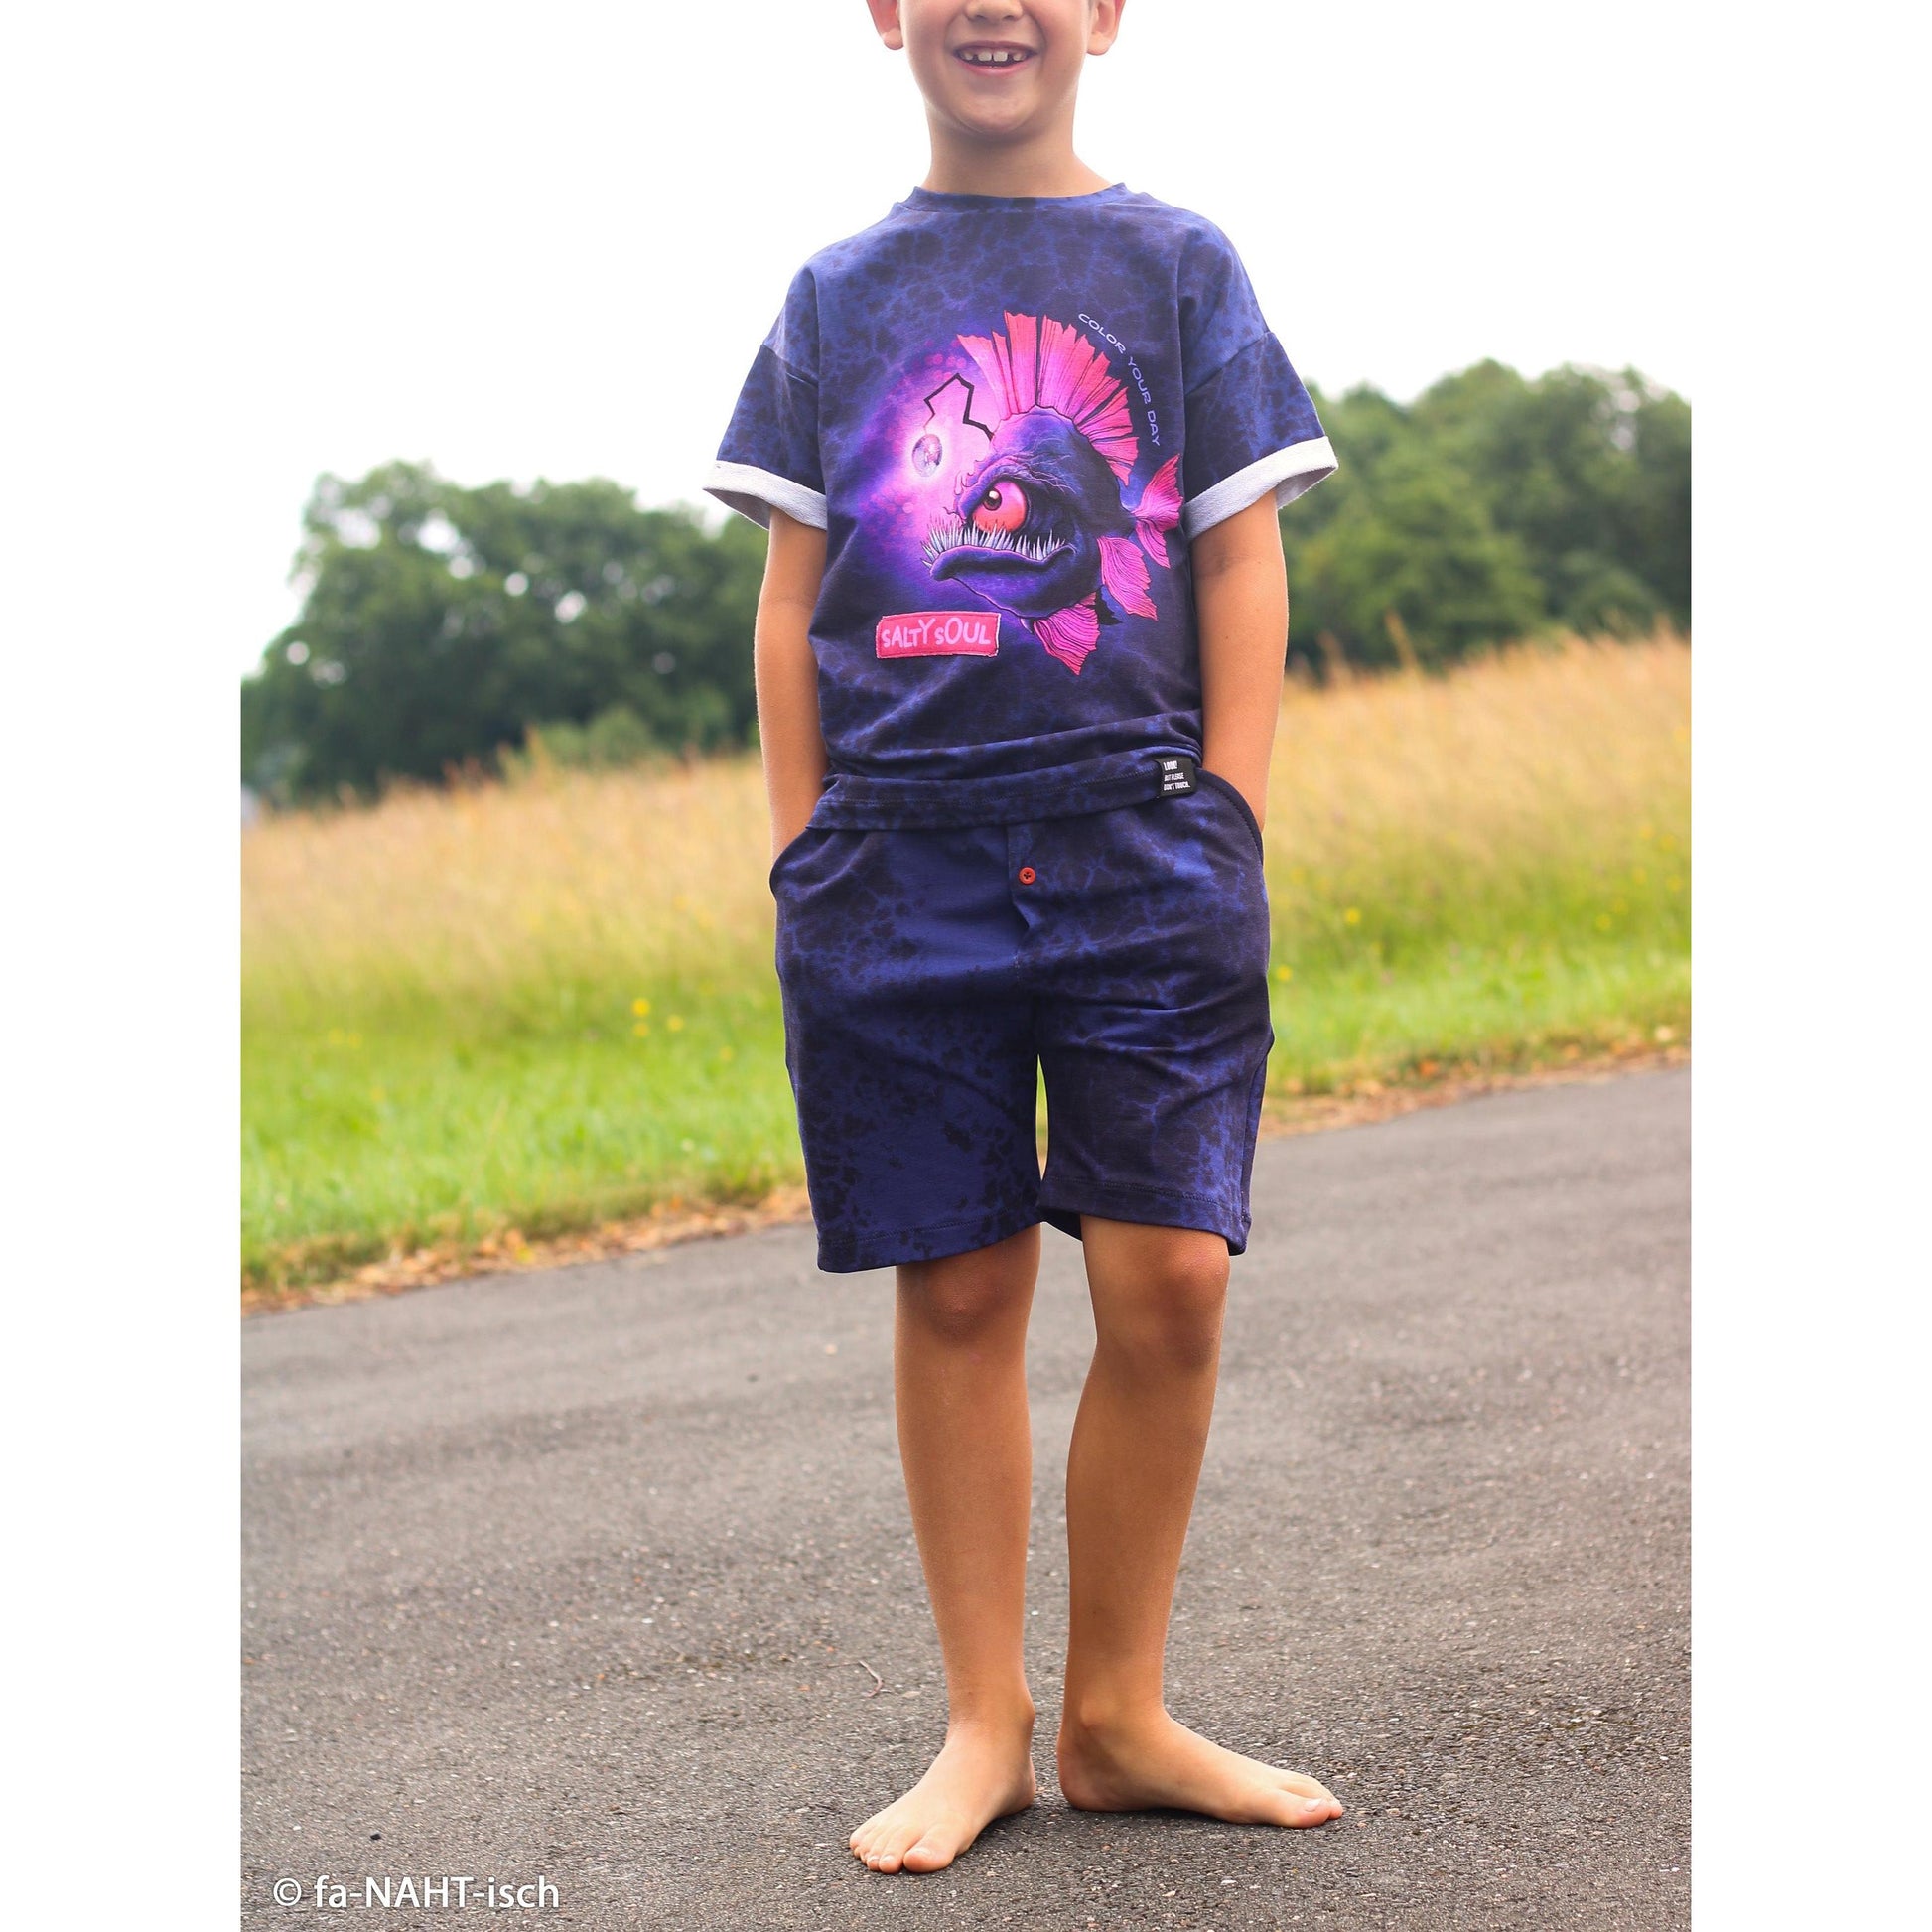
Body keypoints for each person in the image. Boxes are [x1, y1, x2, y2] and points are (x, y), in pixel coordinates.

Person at [705, 0, 1342, 1878]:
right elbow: (792, 597)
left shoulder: (1178, 265)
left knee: (1172, 1279)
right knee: (963, 1289)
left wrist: (1226, 814)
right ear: (884, 13)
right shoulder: (833, 296)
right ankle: (984, 1721)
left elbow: (1237, 552)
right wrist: (804, 851)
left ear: (1107, 13)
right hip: (897, 861)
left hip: (1143, 844)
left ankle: (1117, 1716)